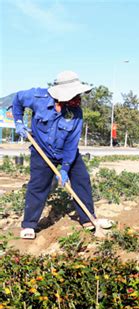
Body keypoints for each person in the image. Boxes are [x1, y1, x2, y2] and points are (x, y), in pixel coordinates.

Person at [13, 70, 110, 239]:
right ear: (62, 95)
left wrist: (65, 168)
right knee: (38, 185)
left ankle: (88, 219)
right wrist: (19, 121)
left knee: (81, 180)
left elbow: (72, 144)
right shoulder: (37, 97)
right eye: (74, 95)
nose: (78, 99)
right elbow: (17, 101)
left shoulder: (76, 113)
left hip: (66, 151)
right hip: (41, 150)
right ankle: (29, 225)